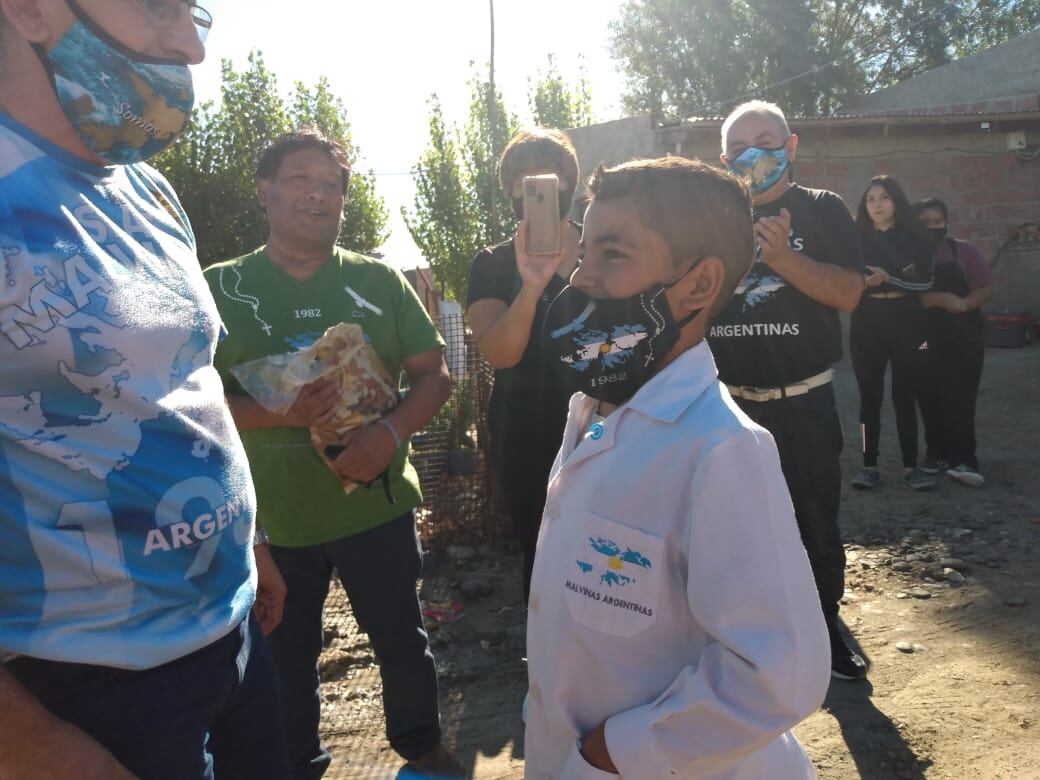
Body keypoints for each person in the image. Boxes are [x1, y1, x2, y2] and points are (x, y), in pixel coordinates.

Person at [0, 1, 289, 778]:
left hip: (229, 636)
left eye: (195, 10)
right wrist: (24, 742)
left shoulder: (146, 190)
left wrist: (250, 545)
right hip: (85, 692)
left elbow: (185, 384)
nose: (192, 47)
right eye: (157, 5)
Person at [525, 156, 829, 780]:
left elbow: (779, 673)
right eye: (583, 250)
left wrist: (615, 752)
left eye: (611, 254)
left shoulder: (721, 449)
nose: (580, 278)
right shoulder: (591, 408)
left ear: (696, 285)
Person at [204, 129, 463, 779]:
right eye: (300, 179)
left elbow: (434, 375)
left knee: (403, 643)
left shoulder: (377, 280)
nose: (319, 194)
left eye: (332, 185)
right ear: (265, 192)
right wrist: (277, 413)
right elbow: (185, 407)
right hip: (272, 524)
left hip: (374, 505)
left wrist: (387, 435)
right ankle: (300, 766)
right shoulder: (219, 291)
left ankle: (423, 753)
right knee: (283, 661)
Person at [709, 100, 868, 681]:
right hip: (727, 407)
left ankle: (824, 630)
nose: (757, 155)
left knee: (814, 523)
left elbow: (848, 293)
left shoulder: (822, 211)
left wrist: (780, 260)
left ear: (791, 145)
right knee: (735, 528)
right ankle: (751, 639)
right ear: (724, 160)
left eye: (767, 140)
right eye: (741, 148)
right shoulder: (713, 219)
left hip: (803, 401)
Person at [467, 128, 581, 602]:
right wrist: (532, 287)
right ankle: (550, 660)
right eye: (521, 181)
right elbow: (500, 353)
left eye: (546, 179)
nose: (531, 191)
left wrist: (574, 270)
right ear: (510, 189)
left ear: (568, 186)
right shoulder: (492, 264)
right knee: (542, 549)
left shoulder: (602, 249)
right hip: (524, 426)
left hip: (601, 412)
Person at [850, 176, 936, 491]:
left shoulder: (916, 239)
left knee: (904, 395)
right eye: (871, 199)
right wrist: (861, 282)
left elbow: (925, 283)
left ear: (896, 201)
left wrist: (890, 278)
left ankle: (911, 467)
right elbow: (842, 279)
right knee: (869, 398)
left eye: (884, 197)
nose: (877, 204)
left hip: (907, 322)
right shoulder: (854, 240)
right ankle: (868, 465)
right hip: (867, 322)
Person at [914, 197, 993, 487]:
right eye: (925, 223)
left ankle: (964, 459)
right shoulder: (908, 256)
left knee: (960, 395)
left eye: (939, 222)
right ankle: (937, 452)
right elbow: (906, 298)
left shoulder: (964, 252)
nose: (934, 227)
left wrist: (967, 303)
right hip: (922, 341)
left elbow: (984, 286)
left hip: (963, 338)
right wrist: (942, 299)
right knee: (927, 393)